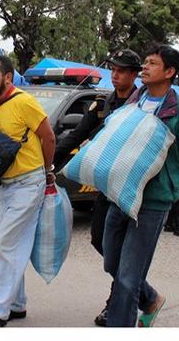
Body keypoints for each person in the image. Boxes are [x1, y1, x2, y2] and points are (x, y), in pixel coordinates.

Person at [103, 45, 179, 327]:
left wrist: (164, 184)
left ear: (169, 72)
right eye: (145, 62)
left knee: (127, 277)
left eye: (152, 64)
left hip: (151, 202)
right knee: (111, 263)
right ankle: (150, 299)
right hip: (121, 194)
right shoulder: (134, 101)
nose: (145, 67)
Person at [52, 48, 141, 327]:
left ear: (134, 74)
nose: (115, 75)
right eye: (113, 69)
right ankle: (139, 288)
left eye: (122, 70)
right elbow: (76, 135)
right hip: (107, 185)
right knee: (100, 239)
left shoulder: (144, 104)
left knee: (124, 246)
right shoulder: (103, 104)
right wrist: (48, 161)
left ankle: (117, 301)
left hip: (134, 186)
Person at [0, 55, 56, 327]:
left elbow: (48, 136)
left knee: (8, 244)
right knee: (4, 244)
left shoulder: (23, 102)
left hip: (28, 183)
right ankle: (17, 304)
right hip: (3, 185)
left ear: (7, 77)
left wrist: (46, 172)